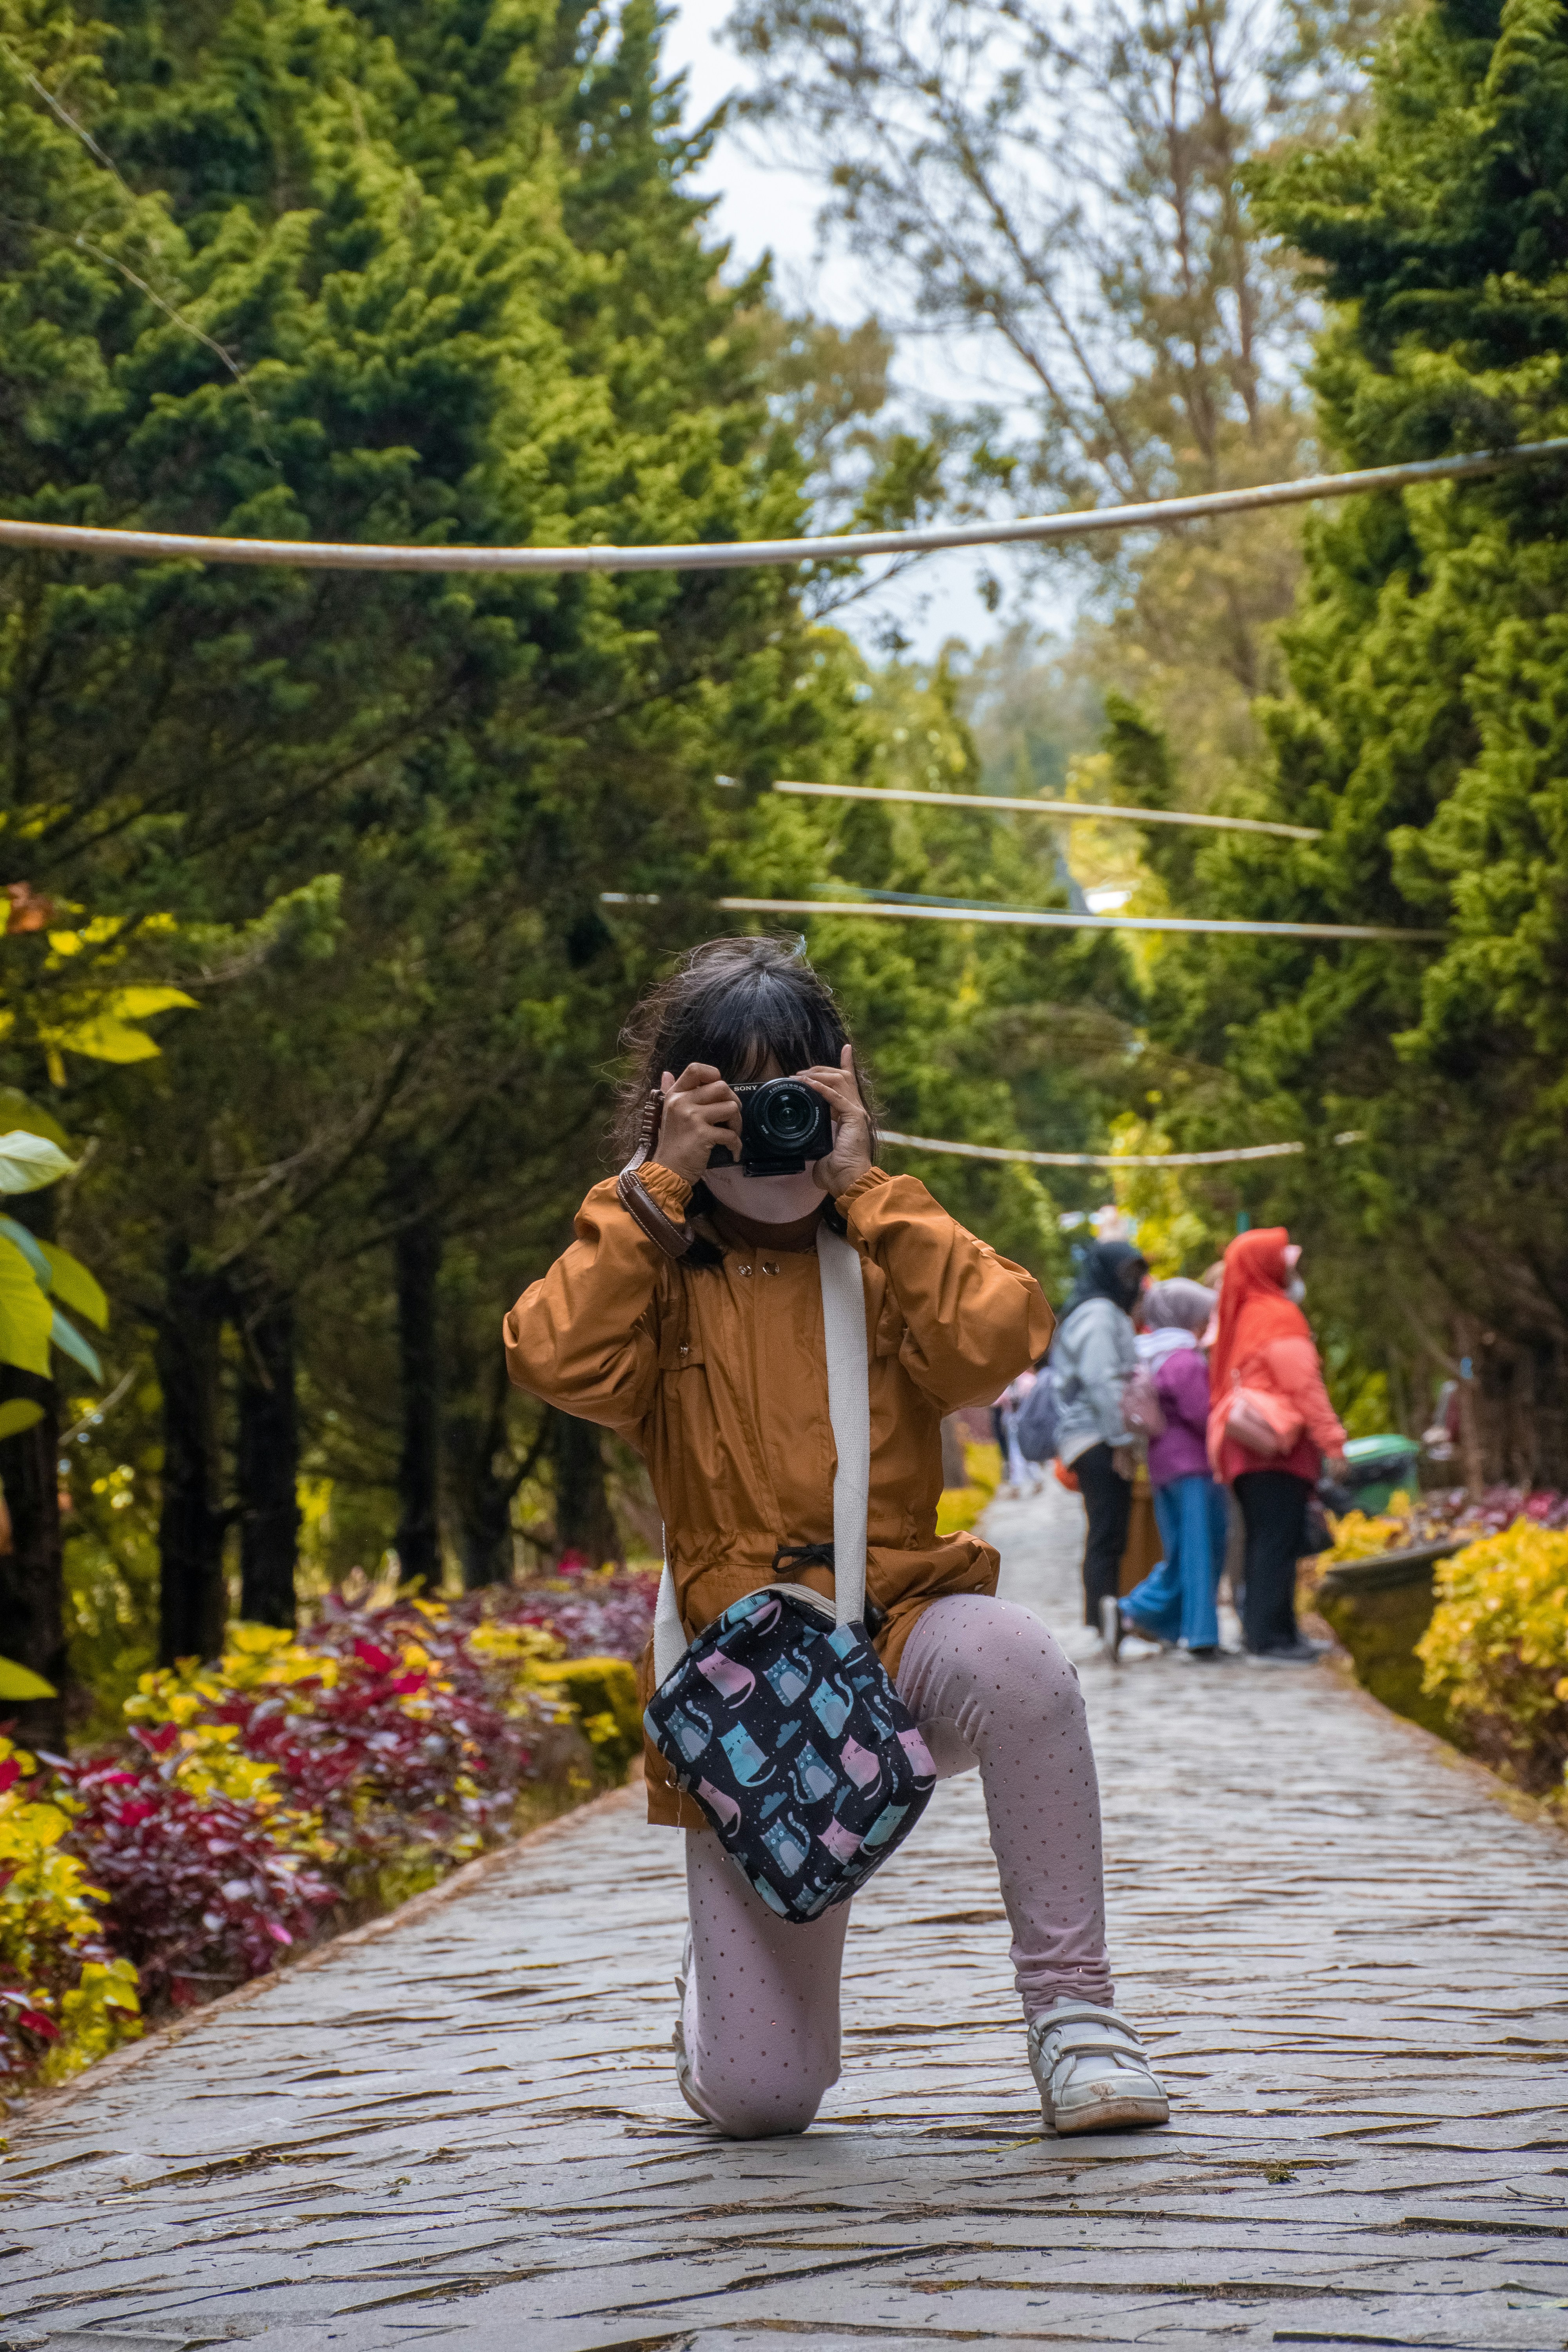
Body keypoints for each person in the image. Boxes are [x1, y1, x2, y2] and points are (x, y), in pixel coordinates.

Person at [503, 938, 1169, 2140]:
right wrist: (654, 1186)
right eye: (728, 1100)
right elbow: (552, 1359)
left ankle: (1076, 2015)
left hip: (903, 1628)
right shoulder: (653, 1266)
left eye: (789, 1096)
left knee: (1018, 1660)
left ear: (841, 1092)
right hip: (749, 1684)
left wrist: (869, 1190)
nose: (763, 1130)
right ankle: (718, 2010)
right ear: (670, 1107)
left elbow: (992, 1339)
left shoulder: (883, 1245)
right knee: (765, 2099)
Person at [1206, 1228, 1348, 1665]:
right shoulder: (1276, 1315)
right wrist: (1333, 1442)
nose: (1294, 1273)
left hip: (1246, 1451)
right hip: (1274, 1453)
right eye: (1286, 1265)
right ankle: (1271, 1640)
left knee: (1266, 1541)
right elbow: (1303, 1384)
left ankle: (1274, 1633)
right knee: (1275, 1541)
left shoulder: (1244, 1315)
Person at [1102, 1278, 1230, 1661]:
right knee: (1201, 1552)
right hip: (1194, 1467)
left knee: (1180, 1553)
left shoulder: (1151, 1355)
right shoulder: (1184, 1360)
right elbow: (1201, 1414)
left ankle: (1141, 1616)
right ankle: (1197, 1634)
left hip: (1163, 1468)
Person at [1049, 1240, 1148, 1632]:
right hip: (1097, 1439)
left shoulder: (1097, 1312)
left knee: (1108, 1536)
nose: (1133, 1284)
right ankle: (1101, 1627)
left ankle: (1106, 1626)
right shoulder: (1099, 1315)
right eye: (1126, 1274)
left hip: (1097, 1436)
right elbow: (1100, 1380)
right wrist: (1121, 1441)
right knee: (1107, 1538)